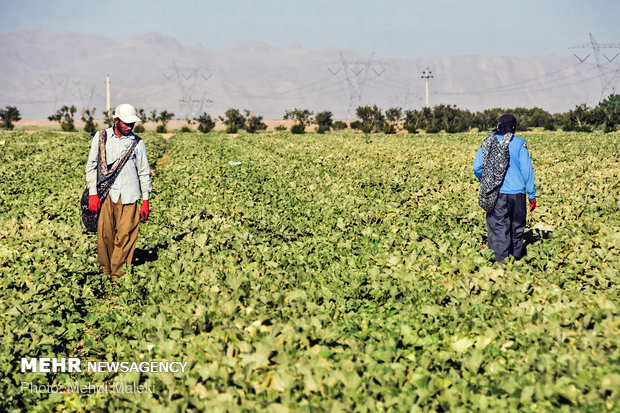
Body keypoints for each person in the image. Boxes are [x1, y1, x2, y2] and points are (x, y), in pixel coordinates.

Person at [85, 103, 152, 281]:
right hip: (107, 194)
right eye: (126, 123)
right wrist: (93, 194)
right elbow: (91, 167)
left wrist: (145, 201)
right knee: (105, 235)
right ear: (116, 120)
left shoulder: (137, 143)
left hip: (130, 196)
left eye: (132, 124)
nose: (129, 127)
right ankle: (106, 271)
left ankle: (118, 275)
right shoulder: (101, 138)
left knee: (125, 235)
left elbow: (144, 173)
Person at [473, 114, 536, 262]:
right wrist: (532, 195)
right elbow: (527, 170)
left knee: (498, 228)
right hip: (518, 194)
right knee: (517, 227)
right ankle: (516, 259)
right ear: (513, 127)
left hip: (497, 193)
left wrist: (487, 179)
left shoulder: (488, 142)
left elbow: (477, 167)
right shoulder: (520, 143)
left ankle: (500, 263)